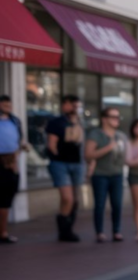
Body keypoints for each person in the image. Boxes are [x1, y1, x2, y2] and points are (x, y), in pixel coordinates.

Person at [45, 94, 85, 242]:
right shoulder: (57, 122)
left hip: (77, 164)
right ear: (65, 105)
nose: (75, 108)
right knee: (67, 198)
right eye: (72, 105)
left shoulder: (79, 122)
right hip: (60, 163)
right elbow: (52, 145)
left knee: (74, 199)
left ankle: (67, 230)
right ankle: (64, 230)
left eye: (77, 106)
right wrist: (58, 157)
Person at [85, 107, 128, 242]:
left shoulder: (121, 136)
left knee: (117, 204)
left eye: (118, 117)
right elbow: (88, 155)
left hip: (117, 174)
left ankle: (116, 231)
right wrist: (108, 148)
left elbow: (125, 157)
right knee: (100, 204)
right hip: (100, 175)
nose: (117, 120)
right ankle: (100, 232)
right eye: (113, 117)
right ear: (104, 119)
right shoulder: (96, 134)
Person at [0, 95, 27, 243]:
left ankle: (3, 232)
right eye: (4, 105)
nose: (7, 108)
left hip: (10, 162)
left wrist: (16, 155)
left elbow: (19, 140)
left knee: (6, 198)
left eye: (8, 105)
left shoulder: (15, 121)